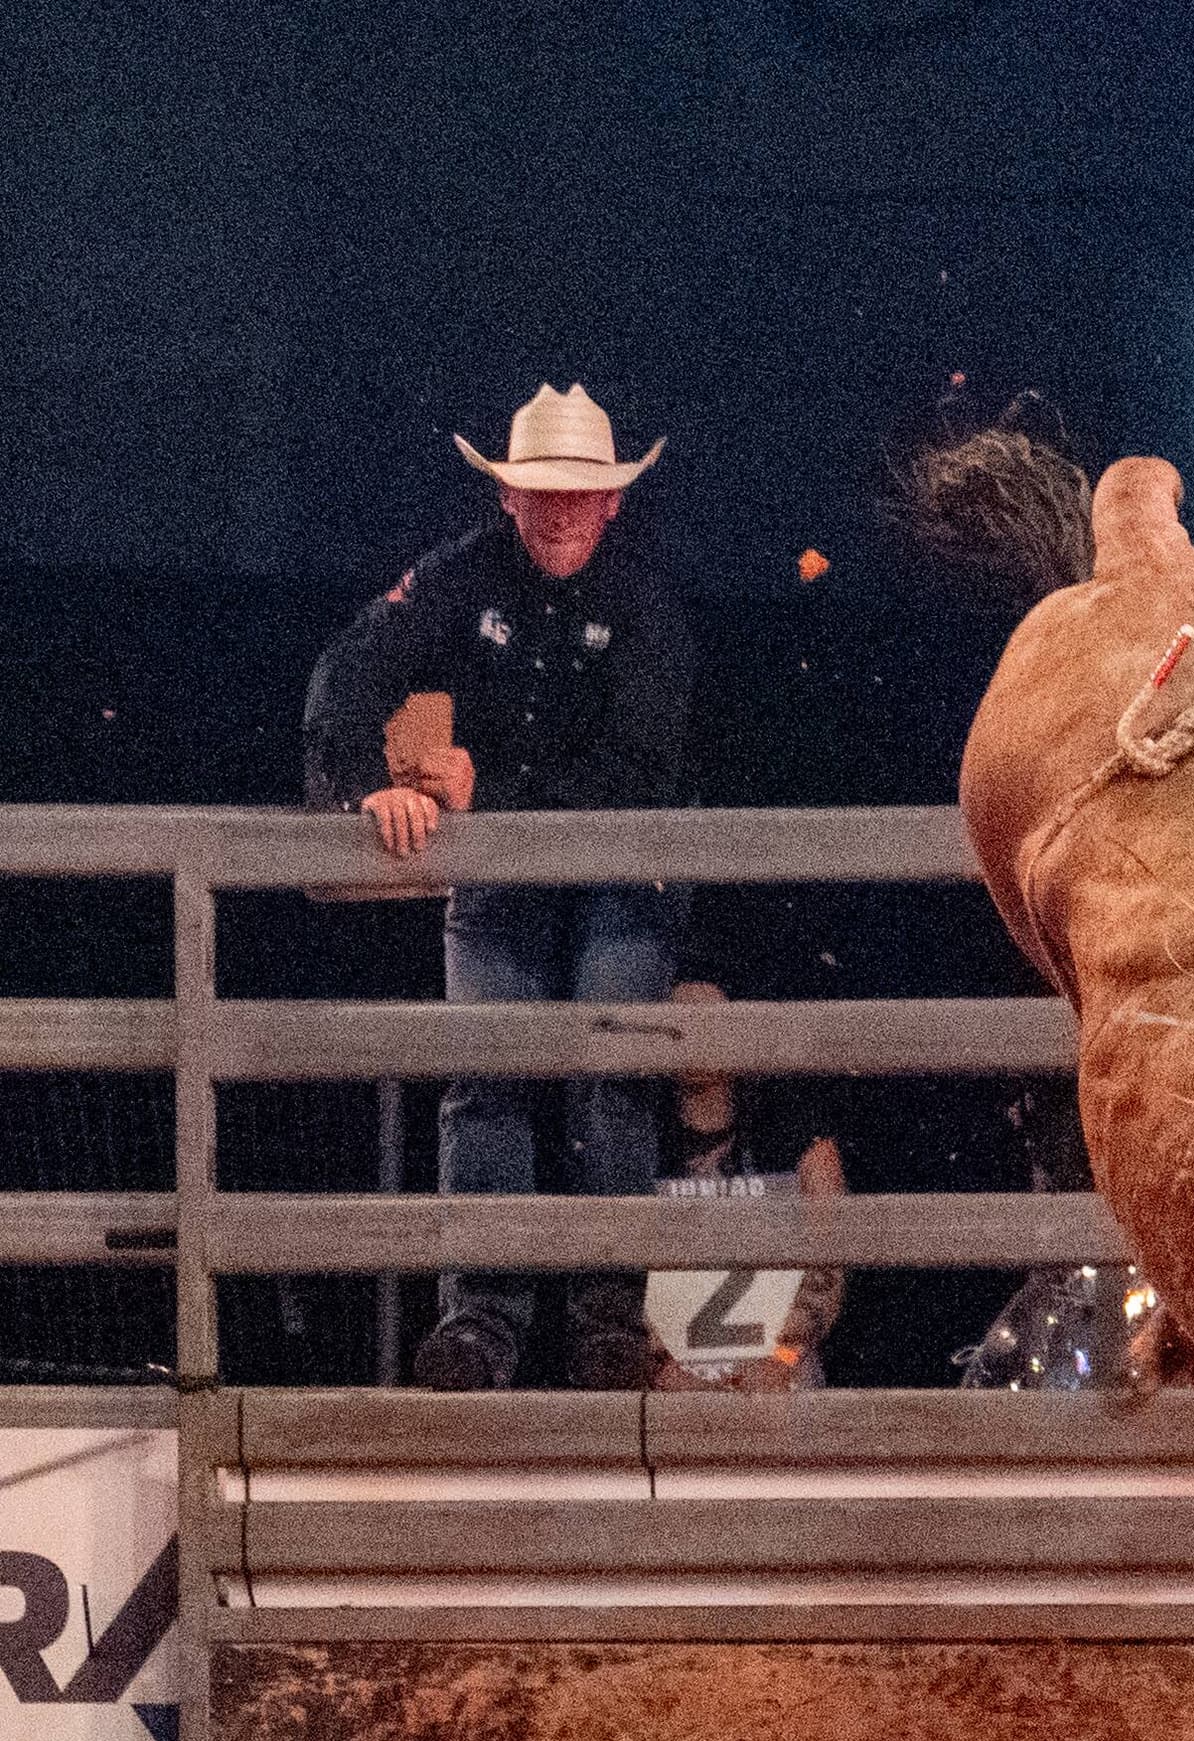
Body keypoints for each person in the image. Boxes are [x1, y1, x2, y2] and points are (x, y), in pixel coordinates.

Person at [302, 384, 692, 1390]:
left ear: (612, 502)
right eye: (538, 492)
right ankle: (484, 1318)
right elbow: (348, 674)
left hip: (616, 869)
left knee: (609, 1076)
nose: (560, 511)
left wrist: (489, 789)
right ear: (508, 498)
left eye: (579, 494)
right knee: (488, 1077)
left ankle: (605, 1317)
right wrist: (367, 791)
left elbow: (638, 770)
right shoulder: (459, 576)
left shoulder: (645, 598)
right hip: (503, 867)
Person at [646, 979, 846, 1392]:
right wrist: (658, 1370)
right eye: (679, 1022)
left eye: (711, 1022)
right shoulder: (632, 1147)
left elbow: (830, 1262)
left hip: (779, 1379)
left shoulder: (796, 1136)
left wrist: (781, 1358)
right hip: (673, 1385)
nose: (694, 1036)